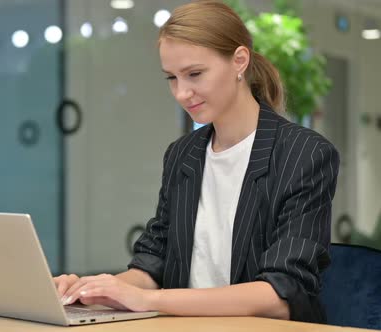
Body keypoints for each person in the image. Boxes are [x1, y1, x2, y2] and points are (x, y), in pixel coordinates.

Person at [54, 0, 339, 323]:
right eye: (172, 78)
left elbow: (281, 292)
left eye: (194, 74)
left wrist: (148, 298)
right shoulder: (182, 154)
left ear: (239, 62)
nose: (181, 93)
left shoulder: (305, 153)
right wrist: (84, 291)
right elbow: (153, 263)